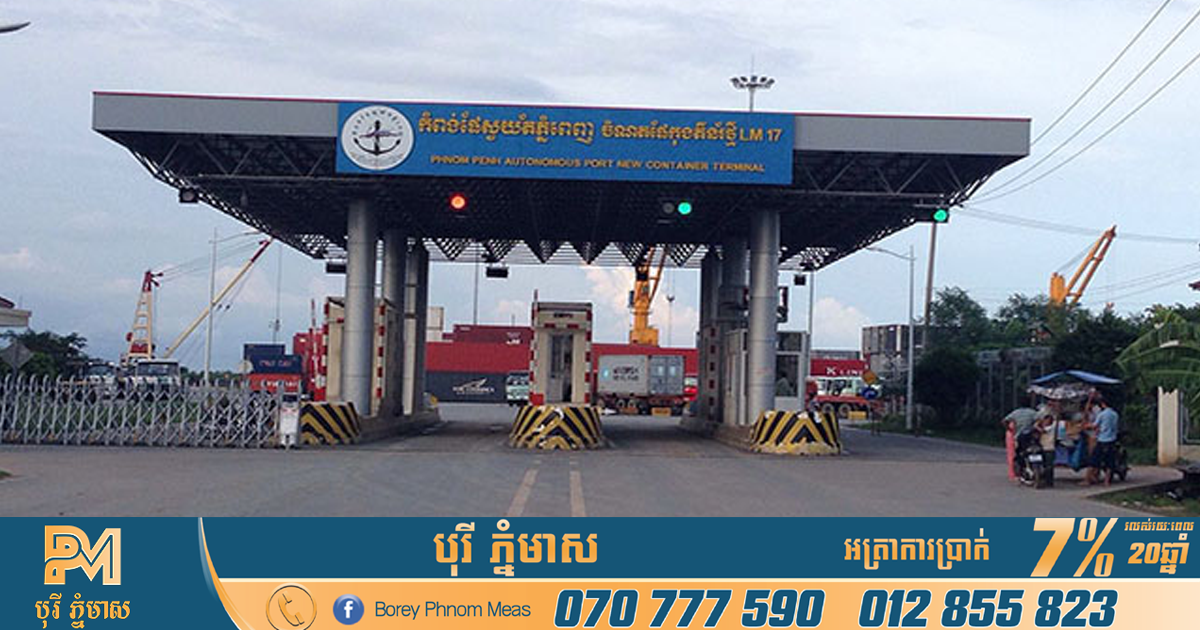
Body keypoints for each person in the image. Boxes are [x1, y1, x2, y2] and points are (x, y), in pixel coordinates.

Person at [1084, 393, 1120, 486]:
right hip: (1112, 440)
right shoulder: (1115, 414)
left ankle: (1087, 480)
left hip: (1102, 439)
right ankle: (1107, 481)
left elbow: (1095, 425)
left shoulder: (1102, 414)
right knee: (1109, 462)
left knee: (1093, 460)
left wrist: (1086, 425)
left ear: (1103, 404)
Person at [1002, 406, 1036, 481]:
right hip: (1029, 437)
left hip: (1016, 436)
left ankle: (1017, 472)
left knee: (1018, 454)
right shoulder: (1032, 412)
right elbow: (1040, 419)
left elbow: (1004, 421)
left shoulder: (1016, 413)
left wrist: (1010, 430)